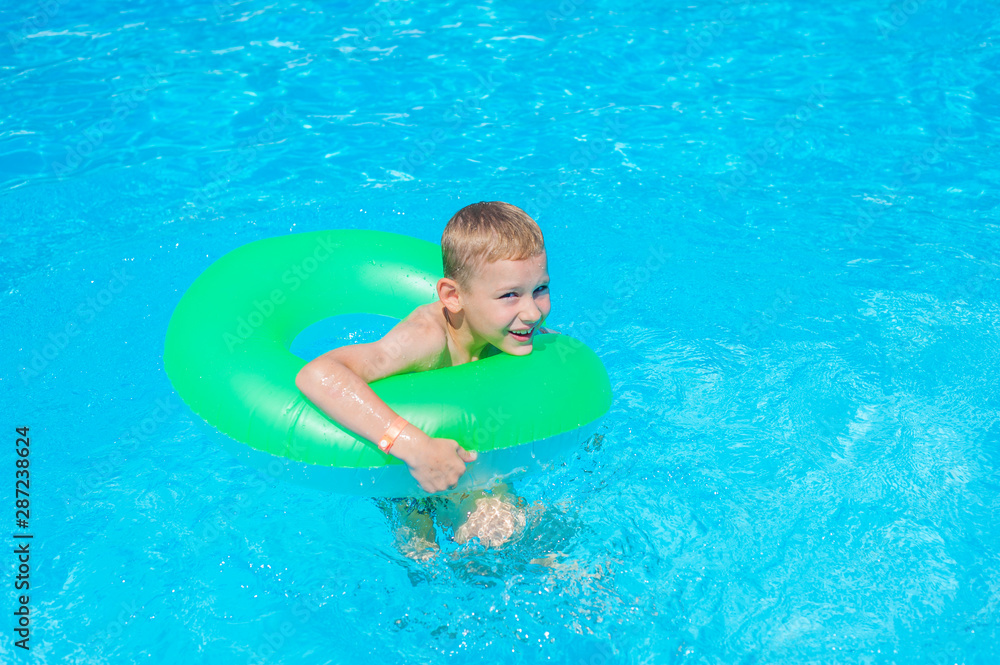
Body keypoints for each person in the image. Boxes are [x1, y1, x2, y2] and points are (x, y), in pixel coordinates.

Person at [295, 201, 552, 555]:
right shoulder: (426, 339)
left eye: (540, 289)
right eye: (510, 295)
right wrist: (413, 446)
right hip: (402, 473)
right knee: (427, 551)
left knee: (514, 527)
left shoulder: (516, 334)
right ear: (453, 296)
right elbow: (318, 374)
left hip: (467, 457)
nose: (533, 311)